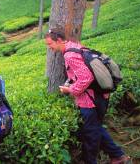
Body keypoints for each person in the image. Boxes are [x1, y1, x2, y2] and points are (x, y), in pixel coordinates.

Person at [44, 28, 130, 164]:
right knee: (96, 128)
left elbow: (86, 78)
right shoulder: (76, 46)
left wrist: (70, 90)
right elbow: (79, 73)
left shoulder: (69, 55)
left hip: (90, 100)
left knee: (91, 134)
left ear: (59, 40)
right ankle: (118, 156)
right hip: (100, 95)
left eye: (50, 44)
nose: (49, 48)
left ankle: (94, 160)